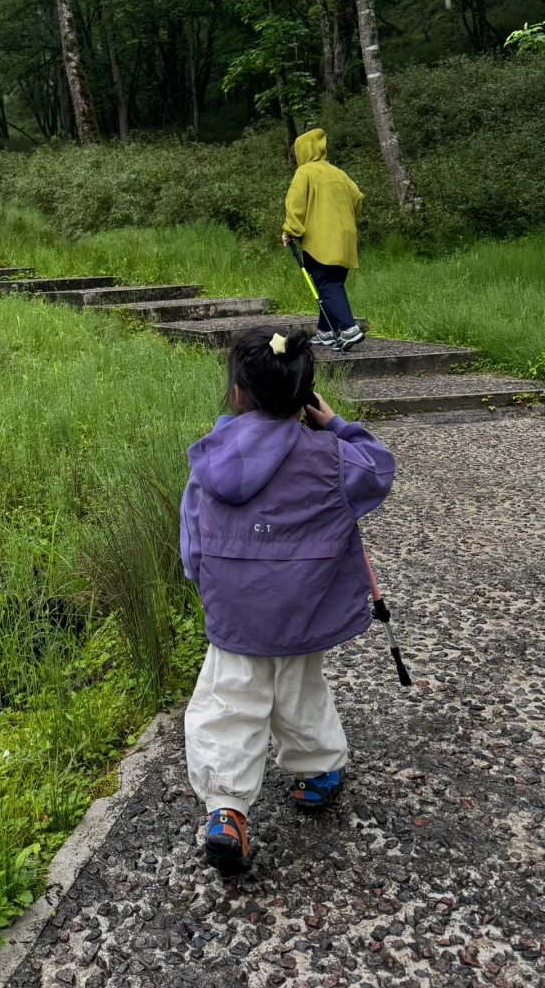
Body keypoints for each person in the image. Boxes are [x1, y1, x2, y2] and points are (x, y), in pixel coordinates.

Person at [181, 326, 396, 876]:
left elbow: (193, 538)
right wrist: (338, 426)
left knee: (228, 702)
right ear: (306, 398)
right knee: (301, 689)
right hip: (304, 608)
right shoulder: (331, 456)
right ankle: (317, 774)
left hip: (235, 611)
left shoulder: (212, 459)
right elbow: (379, 469)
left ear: (236, 393)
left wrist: (207, 588)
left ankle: (227, 810)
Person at [282, 127, 364, 347]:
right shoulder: (339, 173)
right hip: (345, 238)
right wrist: (345, 220)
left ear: (303, 151)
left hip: (320, 240)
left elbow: (295, 203)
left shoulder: (305, 172)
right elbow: (358, 197)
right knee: (333, 284)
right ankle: (326, 331)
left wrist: (290, 230)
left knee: (327, 284)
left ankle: (349, 329)